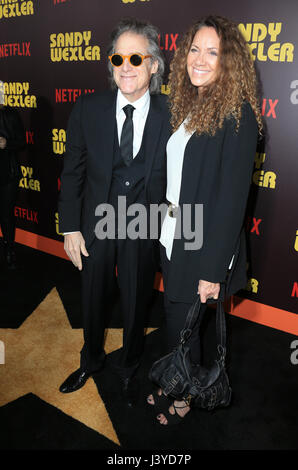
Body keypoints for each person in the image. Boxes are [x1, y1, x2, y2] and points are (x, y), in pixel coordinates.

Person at [147, 15, 262, 425]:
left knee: (186, 323)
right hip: (174, 236)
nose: (200, 59)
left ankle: (183, 397)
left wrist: (213, 270)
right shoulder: (192, 104)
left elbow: (232, 202)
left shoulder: (238, 115)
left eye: (212, 52)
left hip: (202, 247)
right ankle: (176, 378)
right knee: (177, 319)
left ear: (228, 61)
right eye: (195, 48)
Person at [58, 18, 171, 407]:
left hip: (143, 227)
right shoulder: (88, 108)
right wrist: (70, 227)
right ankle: (90, 360)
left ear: (153, 65)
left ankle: (129, 366)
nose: (125, 66)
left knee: (138, 301)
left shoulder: (172, 113)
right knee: (91, 298)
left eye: (136, 57)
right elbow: (72, 171)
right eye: (117, 57)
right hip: (96, 225)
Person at [0, 93, 25, 269]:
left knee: (6, 214)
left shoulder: (11, 114)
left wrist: (6, 143)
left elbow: (22, 141)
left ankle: (10, 250)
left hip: (8, 173)